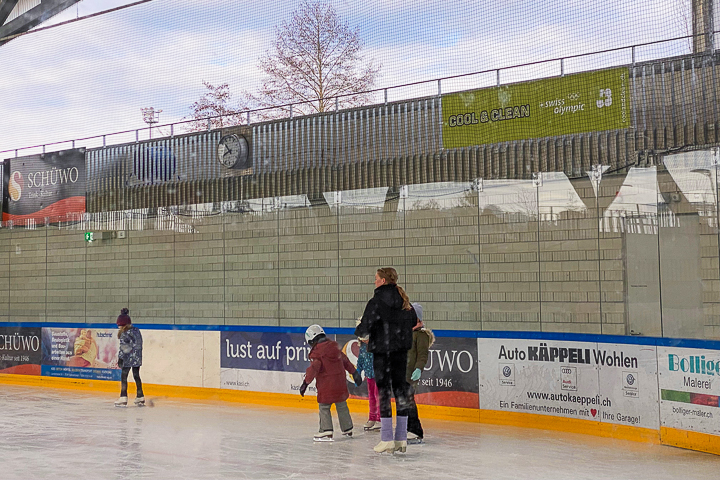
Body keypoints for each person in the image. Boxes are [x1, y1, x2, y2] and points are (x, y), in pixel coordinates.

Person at [355, 267, 417, 454]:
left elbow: (364, 326)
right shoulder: (404, 301)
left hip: (383, 352)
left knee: (383, 392)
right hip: (400, 352)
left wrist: (362, 331)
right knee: (401, 391)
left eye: (376, 279)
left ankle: (387, 438)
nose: (374, 282)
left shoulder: (376, 301)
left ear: (383, 281)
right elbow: (414, 320)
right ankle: (401, 438)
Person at [299, 324, 362, 442]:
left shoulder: (317, 353)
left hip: (326, 385)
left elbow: (314, 369)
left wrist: (305, 383)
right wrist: (354, 373)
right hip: (340, 384)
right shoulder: (335, 347)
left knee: (324, 406)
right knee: (342, 405)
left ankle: (326, 430)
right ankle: (347, 428)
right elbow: (345, 361)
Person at [406, 302, 434, 444]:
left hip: (411, 374)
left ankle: (415, 430)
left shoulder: (421, 335)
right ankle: (408, 428)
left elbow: (422, 355)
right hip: (402, 373)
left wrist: (418, 369)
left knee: (408, 400)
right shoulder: (406, 333)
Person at [114, 308, 145, 407]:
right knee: (136, 375)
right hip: (137, 357)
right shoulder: (136, 330)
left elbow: (123, 348)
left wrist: (120, 358)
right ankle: (140, 396)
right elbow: (139, 343)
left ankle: (123, 397)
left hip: (128, 358)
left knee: (124, 376)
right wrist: (137, 354)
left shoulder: (124, 333)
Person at [355, 322, 380, 431]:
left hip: (379, 375)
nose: (365, 341)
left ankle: (380, 418)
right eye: (362, 339)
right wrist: (358, 370)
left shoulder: (378, 345)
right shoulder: (363, 346)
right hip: (369, 375)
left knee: (379, 396)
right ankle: (372, 418)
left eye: (366, 338)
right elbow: (361, 359)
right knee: (371, 397)